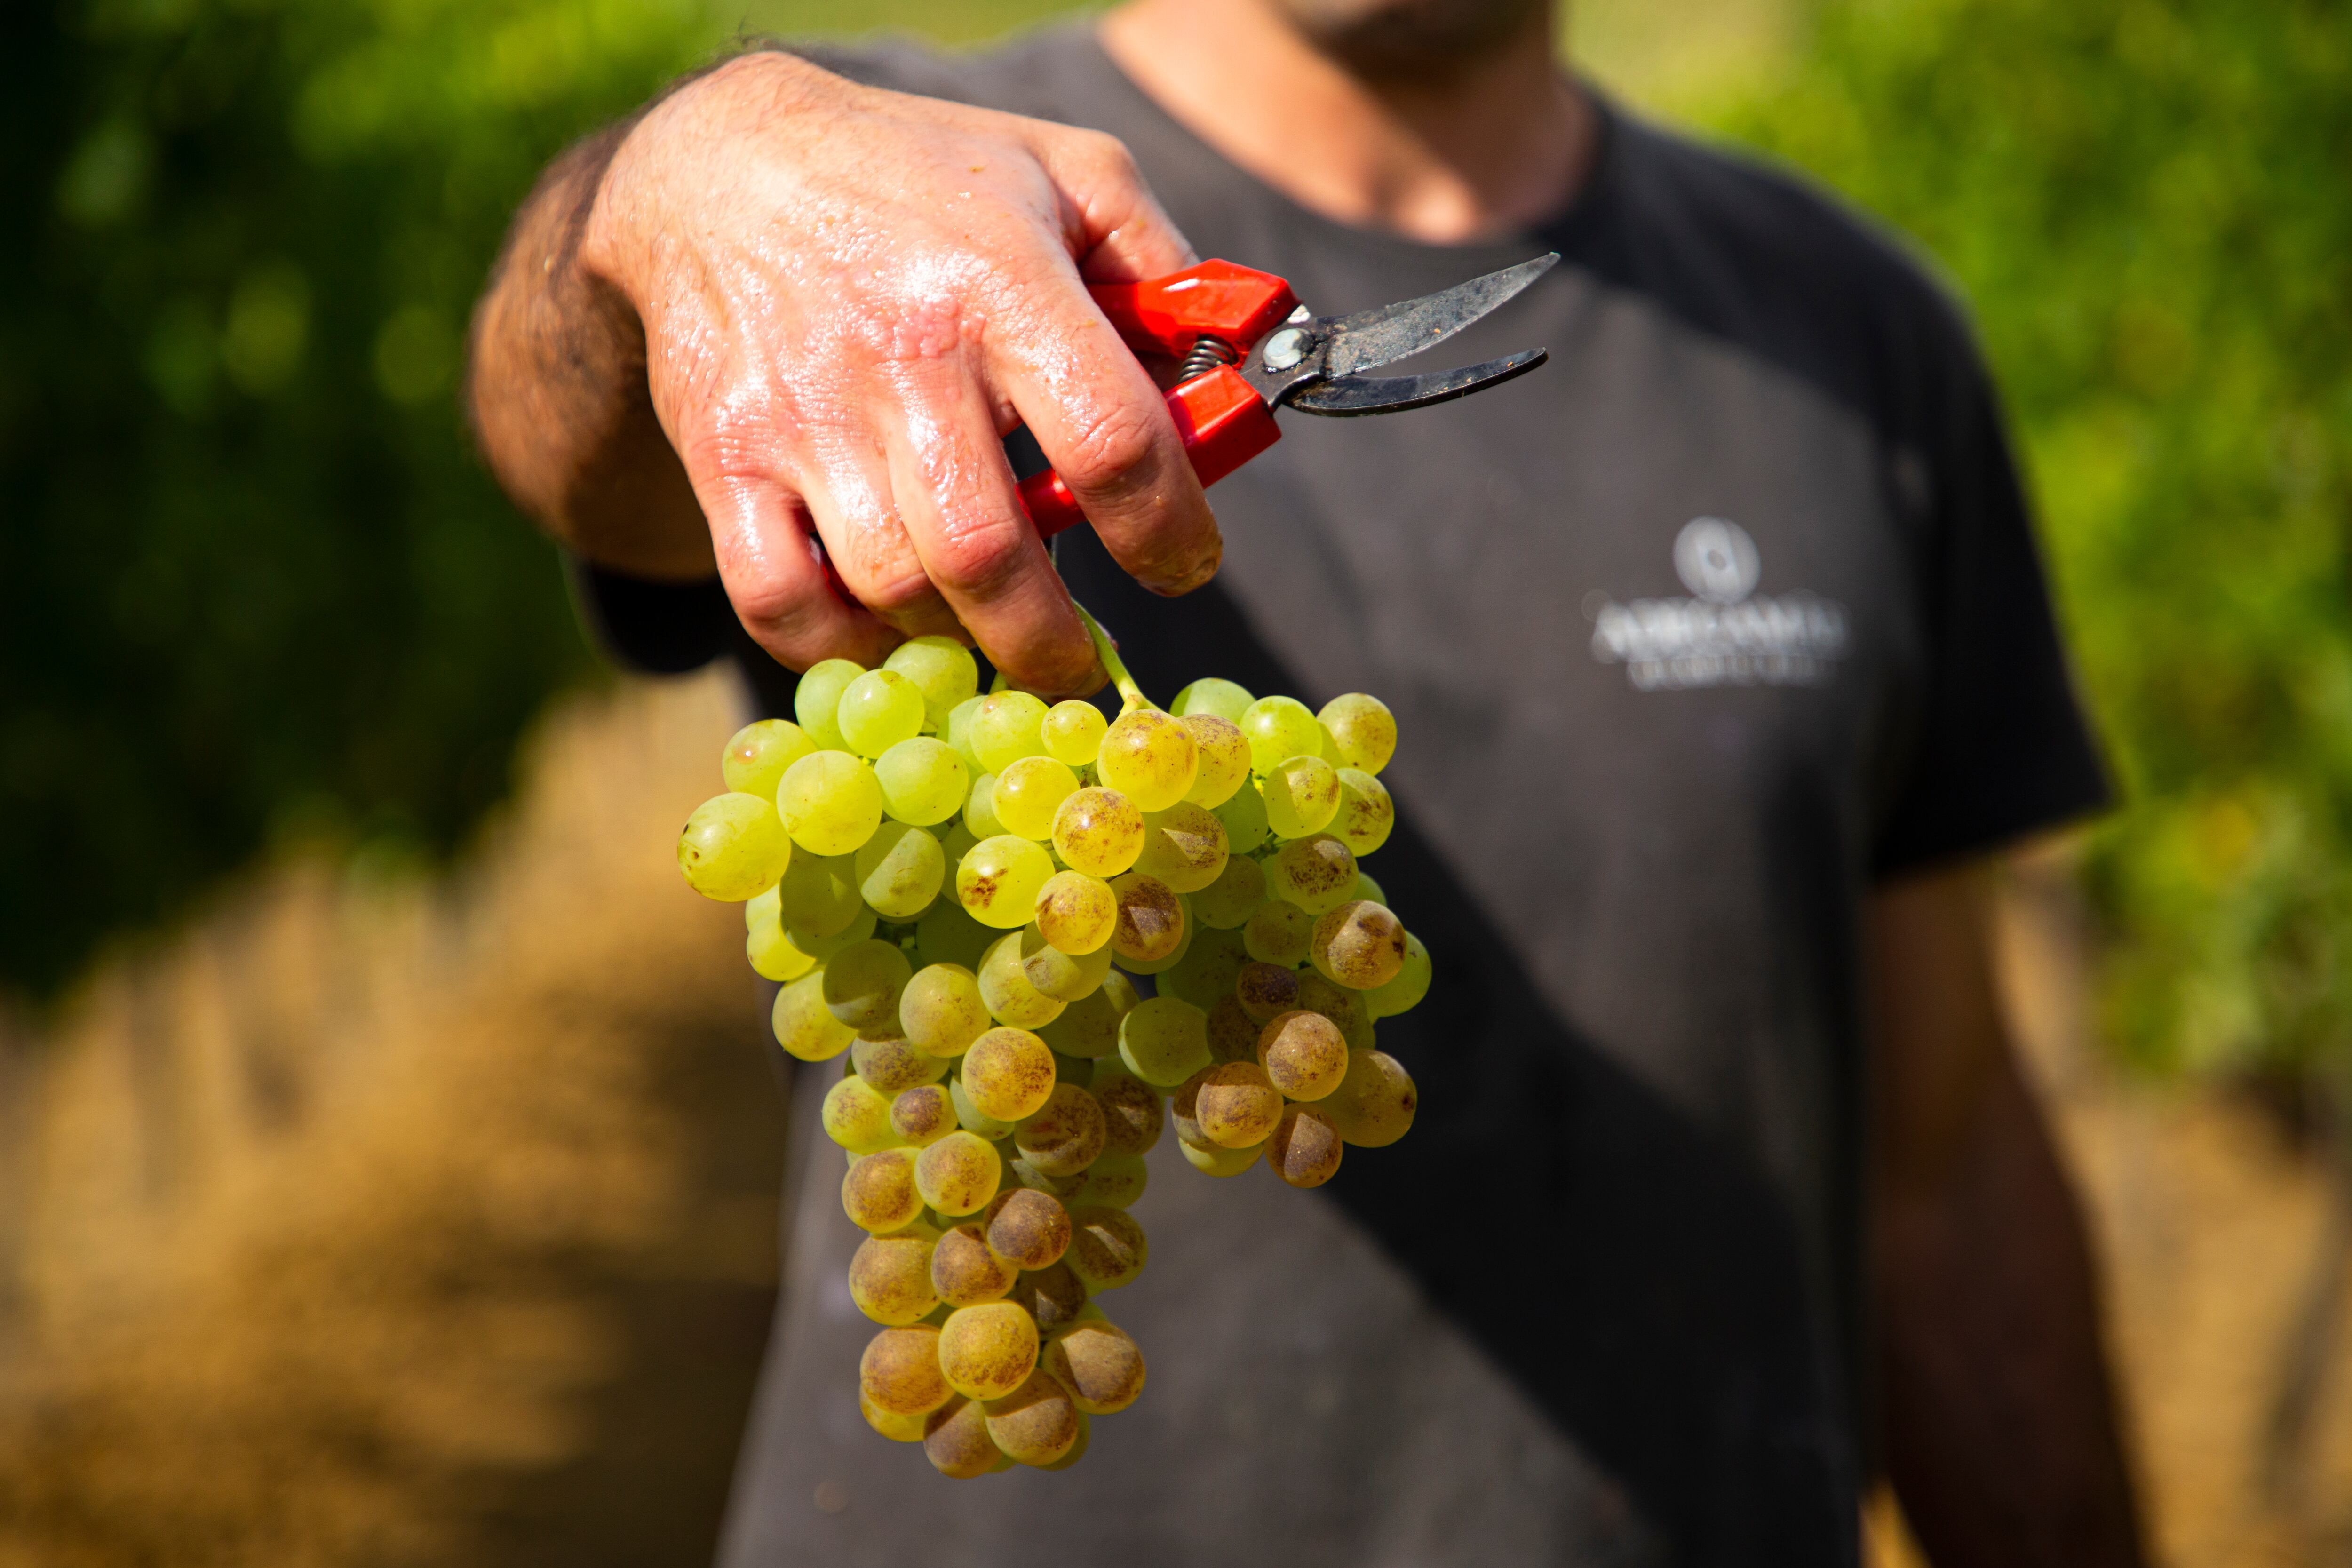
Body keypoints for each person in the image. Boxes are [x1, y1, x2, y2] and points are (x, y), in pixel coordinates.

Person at [469, 0, 2151, 1562]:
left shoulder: (1851, 333)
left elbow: (1944, 1161)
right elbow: (569, 437)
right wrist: (674, 195)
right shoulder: (908, 208)